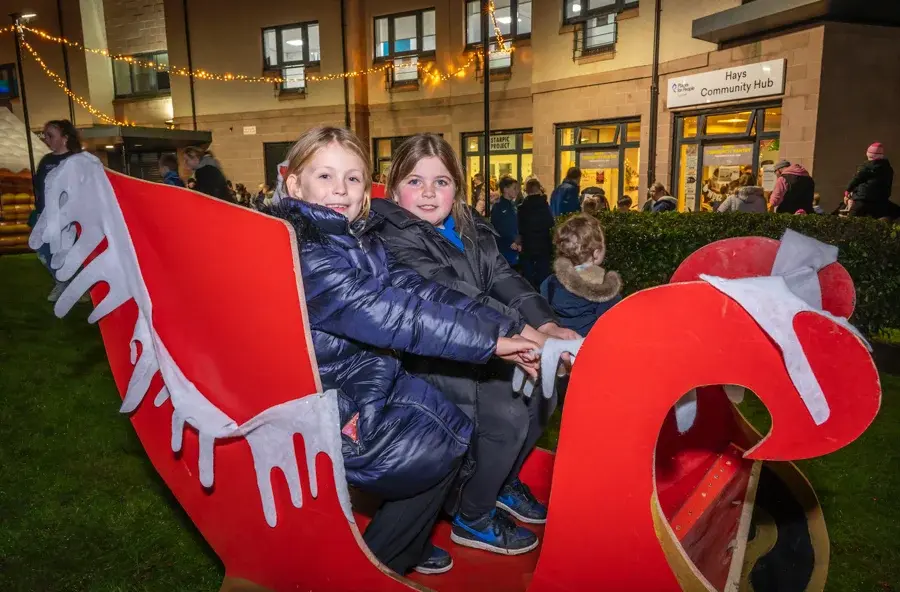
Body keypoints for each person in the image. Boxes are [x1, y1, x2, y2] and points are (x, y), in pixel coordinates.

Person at [265, 126, 539, 575]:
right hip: (319, 400)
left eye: (353, 178)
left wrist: (511, 329)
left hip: (361, 378)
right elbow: (392, 314)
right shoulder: (309, 250)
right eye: (325, 176)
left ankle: (406, 537)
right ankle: (378, 562)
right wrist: (494, 343)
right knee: (433, 445)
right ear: (295, 184)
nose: (340, 189)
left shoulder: (355, 238)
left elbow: (421, 292)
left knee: (450, 429)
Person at [372, 133, 580, 557]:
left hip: (485, 340)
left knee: (547, 391)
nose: (429, 194)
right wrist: (526, 334)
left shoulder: (469, 226)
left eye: (442, 182)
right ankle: (473, 514)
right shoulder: (393, 235)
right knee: (505, 413)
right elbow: (452, 292)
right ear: (394, 189)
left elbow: (503, 278)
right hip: (428, 356)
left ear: (457, 188)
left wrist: (545, 323)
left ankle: (500, 482)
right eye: (415, 181)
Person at [541, 215, 623, 337]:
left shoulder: (549, 284)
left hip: (560, 350)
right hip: (591, 352)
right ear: (596, 253)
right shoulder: (608, 293)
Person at [30, 120, 83, 302]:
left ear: (65, 138)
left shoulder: (77, 160)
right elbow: (39, 187)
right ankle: (62, 282)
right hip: (46, 216)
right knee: (43, 249)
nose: (46, 139)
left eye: (50, 135)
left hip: (69, 217)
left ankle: (77, 286)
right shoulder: (46, 161)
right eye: (45, 135)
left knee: (69, 253)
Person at [517, 178, 555, 288]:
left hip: (528, 245)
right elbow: (550, 223)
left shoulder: (522, 208)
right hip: (543, 245)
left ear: (527, 191)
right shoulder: (544, 205)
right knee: (543, 275)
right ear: (539, 189)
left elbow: (520, 227)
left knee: (529, 277)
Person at [846, 142, 895, 218]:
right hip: (881, 202)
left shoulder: (866, 167)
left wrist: (847, 190)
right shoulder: (888, 169)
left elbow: (856, 179)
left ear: (869, 155)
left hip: (863, 200)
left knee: (851, 221)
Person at [491, 176, 521, 266]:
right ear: (505, 190)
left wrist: (519, 241)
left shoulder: (513, 205)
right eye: (514, 188)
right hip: (505, 248)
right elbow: (497, 227)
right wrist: (510, 241)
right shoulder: (498, 206)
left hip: (516, 246)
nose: (517, 191)